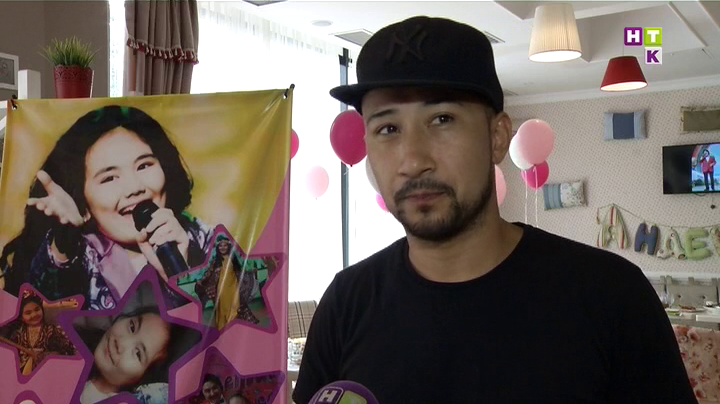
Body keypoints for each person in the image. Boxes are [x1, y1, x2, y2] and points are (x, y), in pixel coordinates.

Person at [293, 16, 697, 404]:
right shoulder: (345, 303)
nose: (413, 160)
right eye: (388, 129)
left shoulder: (611, 296)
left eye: (442, 119)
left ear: (498, 137)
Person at [0, 105, 214, 310]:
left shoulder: (207, 239)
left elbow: (223, 323)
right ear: (83, 204)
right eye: (109, 178)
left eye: (144, 165)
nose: (134, 188)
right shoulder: (78, 258)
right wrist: (64, 240)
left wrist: (181, 276)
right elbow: (42, 309)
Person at [74, 306, 202, 403]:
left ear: (142, 381)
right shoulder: (72, 341)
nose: (121, 343)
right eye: (132, 327)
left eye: (138, 353)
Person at [195, 235, 269, 328]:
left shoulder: (233, 258)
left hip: (234, 288)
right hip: (222, 291)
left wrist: (250, 271)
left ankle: (236, 328)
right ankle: (225, 330)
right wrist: (201, 280)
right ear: (218, 247)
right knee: (223, 310)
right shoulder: (216, 261)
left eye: (225, 245)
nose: (223, 247)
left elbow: (240, 270)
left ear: (228, 246)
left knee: (237, 308)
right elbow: (208, 273)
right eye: (220, 246)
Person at [0, 293, 76, 374]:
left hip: (45, 371)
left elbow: (66, 351)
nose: (34, 315)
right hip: (20, 370)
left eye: (37, 310)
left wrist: (44, 356)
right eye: (28, 313)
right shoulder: (18, 333)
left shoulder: (50, 331)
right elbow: (8, 353)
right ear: (22, 318)